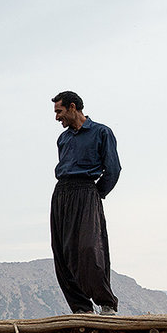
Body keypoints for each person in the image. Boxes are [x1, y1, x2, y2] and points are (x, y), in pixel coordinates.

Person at [50, 91, 122, 316]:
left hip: (86, 191)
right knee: (62, 251)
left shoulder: (101, 132)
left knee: (90, 248)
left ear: (73, 107)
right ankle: (81, 308)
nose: (56, 118)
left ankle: (106, 303)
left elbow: (113, 168)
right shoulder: (64, 138)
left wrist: (96, 193)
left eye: (59, 112)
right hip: (62, 192)